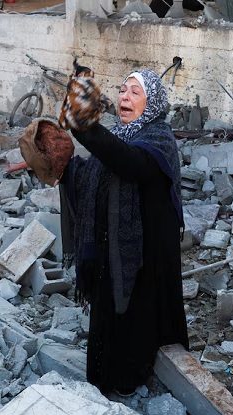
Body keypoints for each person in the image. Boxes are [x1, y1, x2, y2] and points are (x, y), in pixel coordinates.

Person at [60, 69, 189, 395]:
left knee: (139, 316)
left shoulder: (159, 138)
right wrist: (62, 163)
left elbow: (129, 163)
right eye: (122, 90)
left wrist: (86, 128)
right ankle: (108, 380)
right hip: (111, 251)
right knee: (111, 311)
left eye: (134, 92)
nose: (124, 98)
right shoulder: (120, 134)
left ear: (152, 101)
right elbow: (92, 176)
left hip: (145, 256)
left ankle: (138, 377)